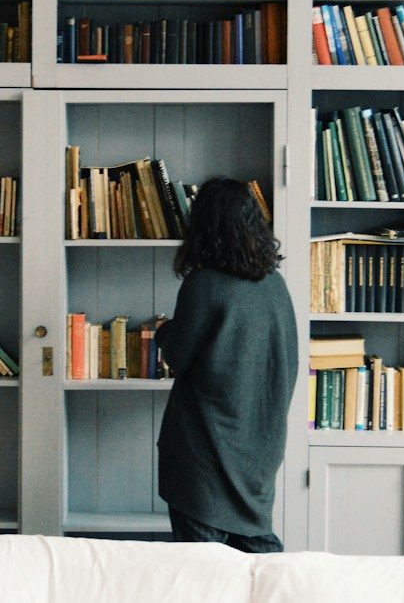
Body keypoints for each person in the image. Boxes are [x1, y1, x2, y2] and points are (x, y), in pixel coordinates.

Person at [155, 176, 297, 553]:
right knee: (258, 562)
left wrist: (163, 331)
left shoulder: (204, 284)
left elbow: (176, 356)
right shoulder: (274, 284)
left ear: (204, 227)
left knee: (205, 573)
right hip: (259, 448)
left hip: (205, 450)